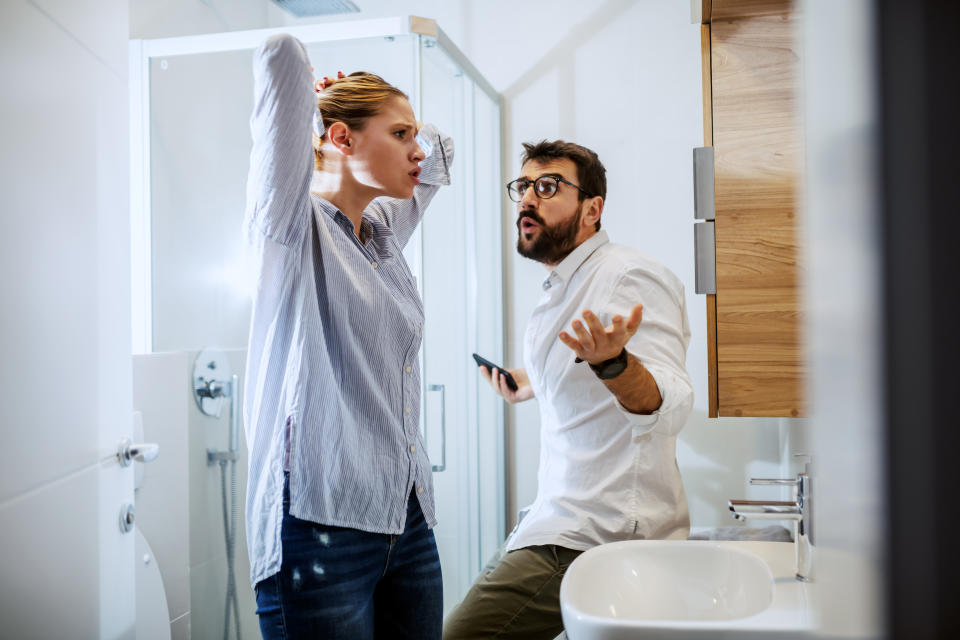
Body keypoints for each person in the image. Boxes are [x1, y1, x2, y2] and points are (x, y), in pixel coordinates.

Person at [242, 33, 453, 639]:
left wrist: (387, 119)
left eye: (411, 133)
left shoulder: (381, 231)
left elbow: (444, 147)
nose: (418, 149)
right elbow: (278, 51)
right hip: (320, 524)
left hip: (405, 519)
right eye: (399, 134)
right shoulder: (288, 225)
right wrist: (317, 98)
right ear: (340, 138)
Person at [443, 140, 693, 640]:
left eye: (548, 186)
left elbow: (671, 405)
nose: (527, 200)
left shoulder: (627, 275)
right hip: (563, 518)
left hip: (600, 532)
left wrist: (616, 363)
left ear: (592, 209)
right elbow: (582, 368)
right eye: (523, 187)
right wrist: (529, 385)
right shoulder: (566, 282)